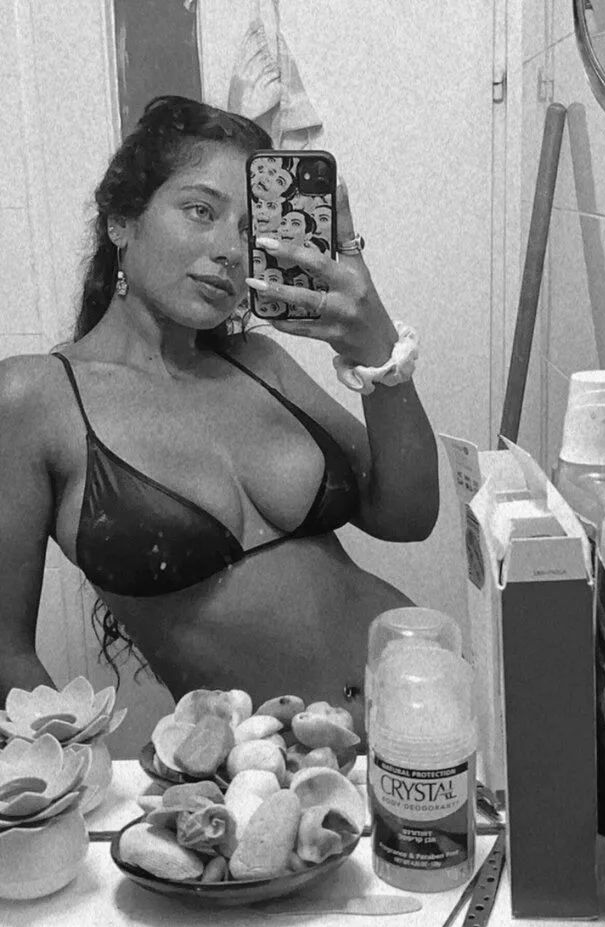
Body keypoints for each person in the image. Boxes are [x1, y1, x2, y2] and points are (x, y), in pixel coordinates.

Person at [0, 96, 439, 739]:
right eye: (201, 211)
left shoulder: (260, 362)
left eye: (248, 229)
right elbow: (5, 650)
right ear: (122, 220)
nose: (232, 250)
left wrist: (376, 345)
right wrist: (72, 771)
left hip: (426, 701)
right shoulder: (35, 399)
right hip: (263, 770)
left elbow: (407, 516)